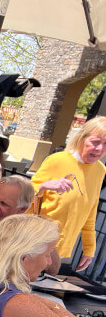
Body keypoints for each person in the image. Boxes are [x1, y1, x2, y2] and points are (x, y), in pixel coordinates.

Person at [31, 116, 106, 271]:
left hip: (62, 252)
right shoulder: (56, 160)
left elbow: (90, 211)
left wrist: (89, 248)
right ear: (82, 138)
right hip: (35, 245)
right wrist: (44, 186)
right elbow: (23, 196)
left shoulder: (100, 170)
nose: (100, 149)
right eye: (95, 142)